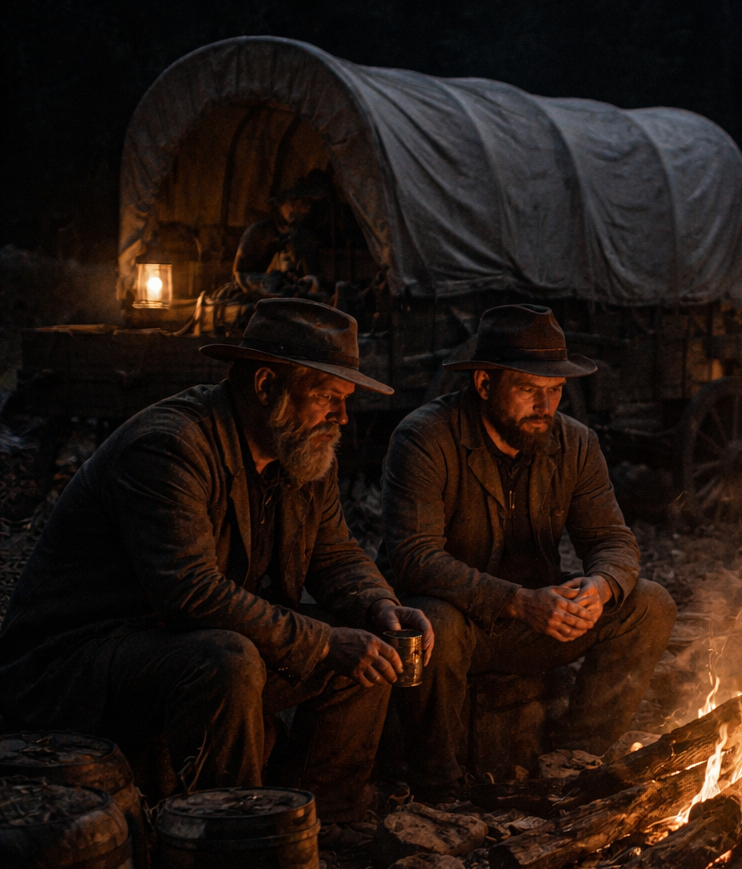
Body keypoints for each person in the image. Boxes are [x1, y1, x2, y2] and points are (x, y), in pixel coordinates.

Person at [0, 298, 432, 826]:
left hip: (176, 645)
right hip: (79, 661)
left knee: (365, 642)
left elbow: (335, 553)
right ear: (266, 385)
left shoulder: (302, 449)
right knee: (228, 660)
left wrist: (380, 605)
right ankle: (233, 837)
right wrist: (322, 642)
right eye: (326, 397)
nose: (341, 416)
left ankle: (323, 823)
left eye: (344, 400)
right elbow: (190, 592)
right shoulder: (170, 447)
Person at [380, 304, 676, 801]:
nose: (546, 405)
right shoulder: (425, 438)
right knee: (434, 622)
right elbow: (413, 557)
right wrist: (519, 601)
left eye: (555, 390)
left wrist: (599, 588)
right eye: (528, 389)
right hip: (465, 625)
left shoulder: (575, 444)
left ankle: (579, 758)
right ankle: (439, 787)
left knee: (649, 604)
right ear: (483, 384)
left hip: (538, 623)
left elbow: (613, 541)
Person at [233, 177, 327, 299]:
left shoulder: (298, 233)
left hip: (284, 288)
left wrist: (311, 280)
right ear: (281, 204)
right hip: (256, 286)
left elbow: (310, 266)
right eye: (291, 203)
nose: (295, 209)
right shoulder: (258, 231)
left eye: (299, 203)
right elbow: (239, 273)